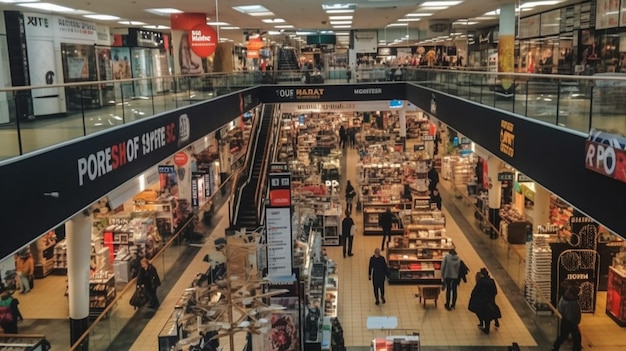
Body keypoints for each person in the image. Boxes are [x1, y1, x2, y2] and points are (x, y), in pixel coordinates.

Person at [468, 268, 499, 334]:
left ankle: (484, 325)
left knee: (481, 312)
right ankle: (495, 323)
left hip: (482, 300)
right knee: (491, 312)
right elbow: (495, 291)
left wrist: (473, 296)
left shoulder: (481, 282)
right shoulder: (492, 281)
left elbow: (476, 291)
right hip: (490, 300)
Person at [552, 285, 582, 351]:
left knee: (564, 336)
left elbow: (560, 310)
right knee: (575, 337)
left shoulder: (563, 299)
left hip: (567, 320)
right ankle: (576, 348)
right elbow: (575, 312)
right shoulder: (572, 302)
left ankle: (555, 347)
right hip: (570, 321)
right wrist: (576, 320)